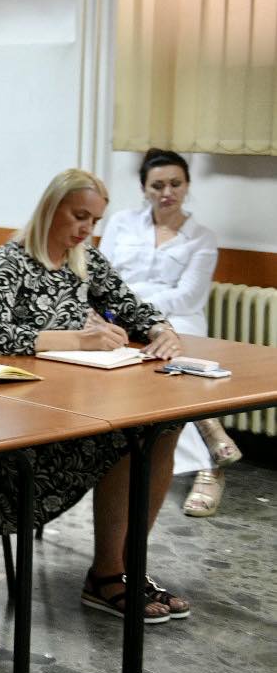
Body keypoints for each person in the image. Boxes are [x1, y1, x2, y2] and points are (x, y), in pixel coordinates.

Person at [0, 168, 189, 624]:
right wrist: (75, 339)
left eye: (95, 220)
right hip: (19, 416)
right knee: (124, 439)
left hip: (74, 401)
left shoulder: (83, 259)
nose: (87, 228)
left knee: (165, 425)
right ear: (52, 207)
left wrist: (161, 330)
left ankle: (127, 568)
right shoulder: (11, 260)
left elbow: (132, 306)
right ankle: (105, 576)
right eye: (80, 215)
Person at [102, 148, 238, 517]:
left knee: (169, 360)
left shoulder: (202, 237)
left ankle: (206, 470)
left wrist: (138, 307)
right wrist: (134, 313)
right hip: (125, 319)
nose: (167, 192)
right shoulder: (121, 223)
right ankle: (210, 442)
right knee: (166, 370)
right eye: (157, 185)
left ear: (187, 186)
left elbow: (187, 295)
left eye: (175, 184)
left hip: (182, 320)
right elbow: (106, 279)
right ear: (143, 188)